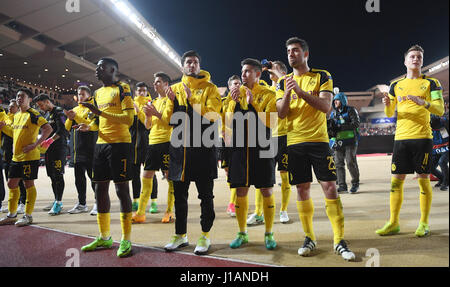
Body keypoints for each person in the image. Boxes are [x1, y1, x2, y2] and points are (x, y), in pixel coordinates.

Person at [276, 37, 355, 260]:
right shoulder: (283, 83)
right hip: (294, 143)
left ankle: (339, 240)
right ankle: (309, 237)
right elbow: (281, 113)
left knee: (330, 187)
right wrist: (290, 93)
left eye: (296, 50)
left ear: (306, 54)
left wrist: (300, 92)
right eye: (289, 51)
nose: (291, 54)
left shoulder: (322, 76)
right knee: (302, 190)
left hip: (319, 141)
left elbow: (326, 107)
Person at [376, 45, 445, 238]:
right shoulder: (395, 86)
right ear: (405, 61)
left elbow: (440, 110)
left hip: (423, 138)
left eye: (419, 57)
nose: (416, 59)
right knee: (396, 183)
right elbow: (390, 114)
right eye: (412, 56)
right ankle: (393, 222)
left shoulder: (432, 83)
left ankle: (423, 223)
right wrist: (388, 105)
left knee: (423, 181)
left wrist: (425, 103)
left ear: (422, 61)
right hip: (401, 139)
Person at [163, 50, 221, 255]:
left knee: (206, 196)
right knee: (179, 196)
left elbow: (213, 115)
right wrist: (170, 103)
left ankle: (205, 235)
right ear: (182, 67)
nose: (192, 65)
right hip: (179, 151)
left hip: (204, 150)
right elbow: (167, 120)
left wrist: (191, 100)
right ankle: (180, 235)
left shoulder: (210, 88)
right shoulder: (174, 88)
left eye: (195, 62)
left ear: (199, 65)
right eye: (188, 62)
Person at [76, 58, 135, 257]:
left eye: (100, 67)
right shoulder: (98, 93)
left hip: (120, 144)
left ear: (112, 70)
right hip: (101, 145)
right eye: (96, 66)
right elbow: (97, 120)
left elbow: (129, 119)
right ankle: (104, 236)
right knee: (99, 189)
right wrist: (89, 126)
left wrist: (99, 112)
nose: (96, 70)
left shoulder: (123, 88)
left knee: (121, 189)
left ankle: (126, 239)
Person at [226, 58, 278, 250]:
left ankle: (269, 233)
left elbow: (271, 123)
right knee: (241, 191)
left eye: (248, 71)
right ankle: (242, 233)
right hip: (240, 150)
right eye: (242, 71)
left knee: (266, 190)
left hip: (262, 148)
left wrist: (252, 103)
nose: (243, 75)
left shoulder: (268, 94)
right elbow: (228, 122)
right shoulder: (235, 94)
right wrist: (232, 103)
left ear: (258, 74)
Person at [0, 88, 52, 226]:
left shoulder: (33, 114)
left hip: (30, 157)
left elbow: (48, 129)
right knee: (11, 184)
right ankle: (12, 215)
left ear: (29, 99)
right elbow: (14, 133)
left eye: (22, 96)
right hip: (16, 157)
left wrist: (35, 145)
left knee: (28, 184)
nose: (19, 98)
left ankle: (28, 216)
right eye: (17, 96)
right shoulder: (17, 115)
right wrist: (3, 127)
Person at [132, 75, 175, 224]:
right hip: (153, 142)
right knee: (146, 176)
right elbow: (148, 125)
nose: (155, 84)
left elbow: (170, 121)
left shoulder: (171, 100)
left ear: (165, 84)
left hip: (167, 142)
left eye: (158, 82)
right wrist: (148, 116)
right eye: (154, 82)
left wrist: (155, 113)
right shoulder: (154, 102)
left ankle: (169, 211)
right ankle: (140, 213)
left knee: (170, 178)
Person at [64, 86, 98, 214]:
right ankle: (82, 204)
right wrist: (70, 117)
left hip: (90, 149)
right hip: (77, 151)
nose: (80, 97)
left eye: (83, 94)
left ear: (88, 95)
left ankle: (98, 203)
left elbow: (89, 125)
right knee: (79, 179)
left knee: (93, 178)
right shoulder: (74, 109)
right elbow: (67, 128)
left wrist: (76, 117)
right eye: (78, 94)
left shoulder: (92, 109)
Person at [34, 94, 70, 215]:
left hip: (59, 148)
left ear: (47, 102)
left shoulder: (59, 112)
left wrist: (50, 140)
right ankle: (56, 199)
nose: (40, 108)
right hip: (49, 149)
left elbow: (63, 130)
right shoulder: (47, 114)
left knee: (58, 175)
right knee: (52, 176)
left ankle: (59, 202)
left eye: (41, 105)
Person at [128, 81, 158, 214]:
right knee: (134, 174)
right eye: (139, 91)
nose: (141, 93)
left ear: (147, 92)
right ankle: (135, 201)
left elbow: (147, 124)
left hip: (147, 144)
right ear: (135, 92)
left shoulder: (150, 103)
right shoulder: (130, 104)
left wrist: (138, 110)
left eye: (144, 90)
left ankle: (154, 202)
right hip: (132, 145)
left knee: (151, 175)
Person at [328, 91, 361, 194]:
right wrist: (330, 130)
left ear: (342, 100)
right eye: (334, 100)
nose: (335, 102)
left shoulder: (351, 110)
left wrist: (340, 126)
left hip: (350, 141)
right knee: (338, 164)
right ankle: (342, 186)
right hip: (338, 142)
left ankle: (355, 183)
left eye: (337, 100)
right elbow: (332, 128)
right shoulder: (333, 113)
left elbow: (356, 124)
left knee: (351, 162)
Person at [1, 100, 27, 214]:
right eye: (9, 107)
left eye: (12, 107)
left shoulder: (18, 119)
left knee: (20, 180)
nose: (9, 108)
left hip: (17, 154)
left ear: (17, 108)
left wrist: (3, 127)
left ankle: (22, 202)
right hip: (6, 154)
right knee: (9, 179)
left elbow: (14, 132)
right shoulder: (6, 118)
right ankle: (15, 203)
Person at [222, 75, 241, 217]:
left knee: (236, 173)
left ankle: (232, 203)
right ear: (229, 86)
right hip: (225, 141)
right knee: (228, 172)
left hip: (240, 141)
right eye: (235, 83)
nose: (237, 86)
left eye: (239, 83)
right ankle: (234, 199)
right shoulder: (224, 102)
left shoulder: (244, 100)